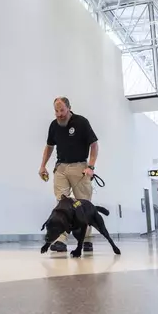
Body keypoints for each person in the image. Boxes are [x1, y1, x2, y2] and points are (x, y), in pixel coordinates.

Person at [39, 97, 99, 253]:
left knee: (83, 204)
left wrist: (90, 166)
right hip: (61, 168)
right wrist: (43, 166)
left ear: (69, 108)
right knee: (61, 204)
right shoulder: (54, 125)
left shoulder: (81, 122)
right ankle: (60, 239)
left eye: (62, 110)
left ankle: (86, 239)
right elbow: (49, 146)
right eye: (56, 111)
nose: (59, 114)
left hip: (80, 167)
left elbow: (94, 145)